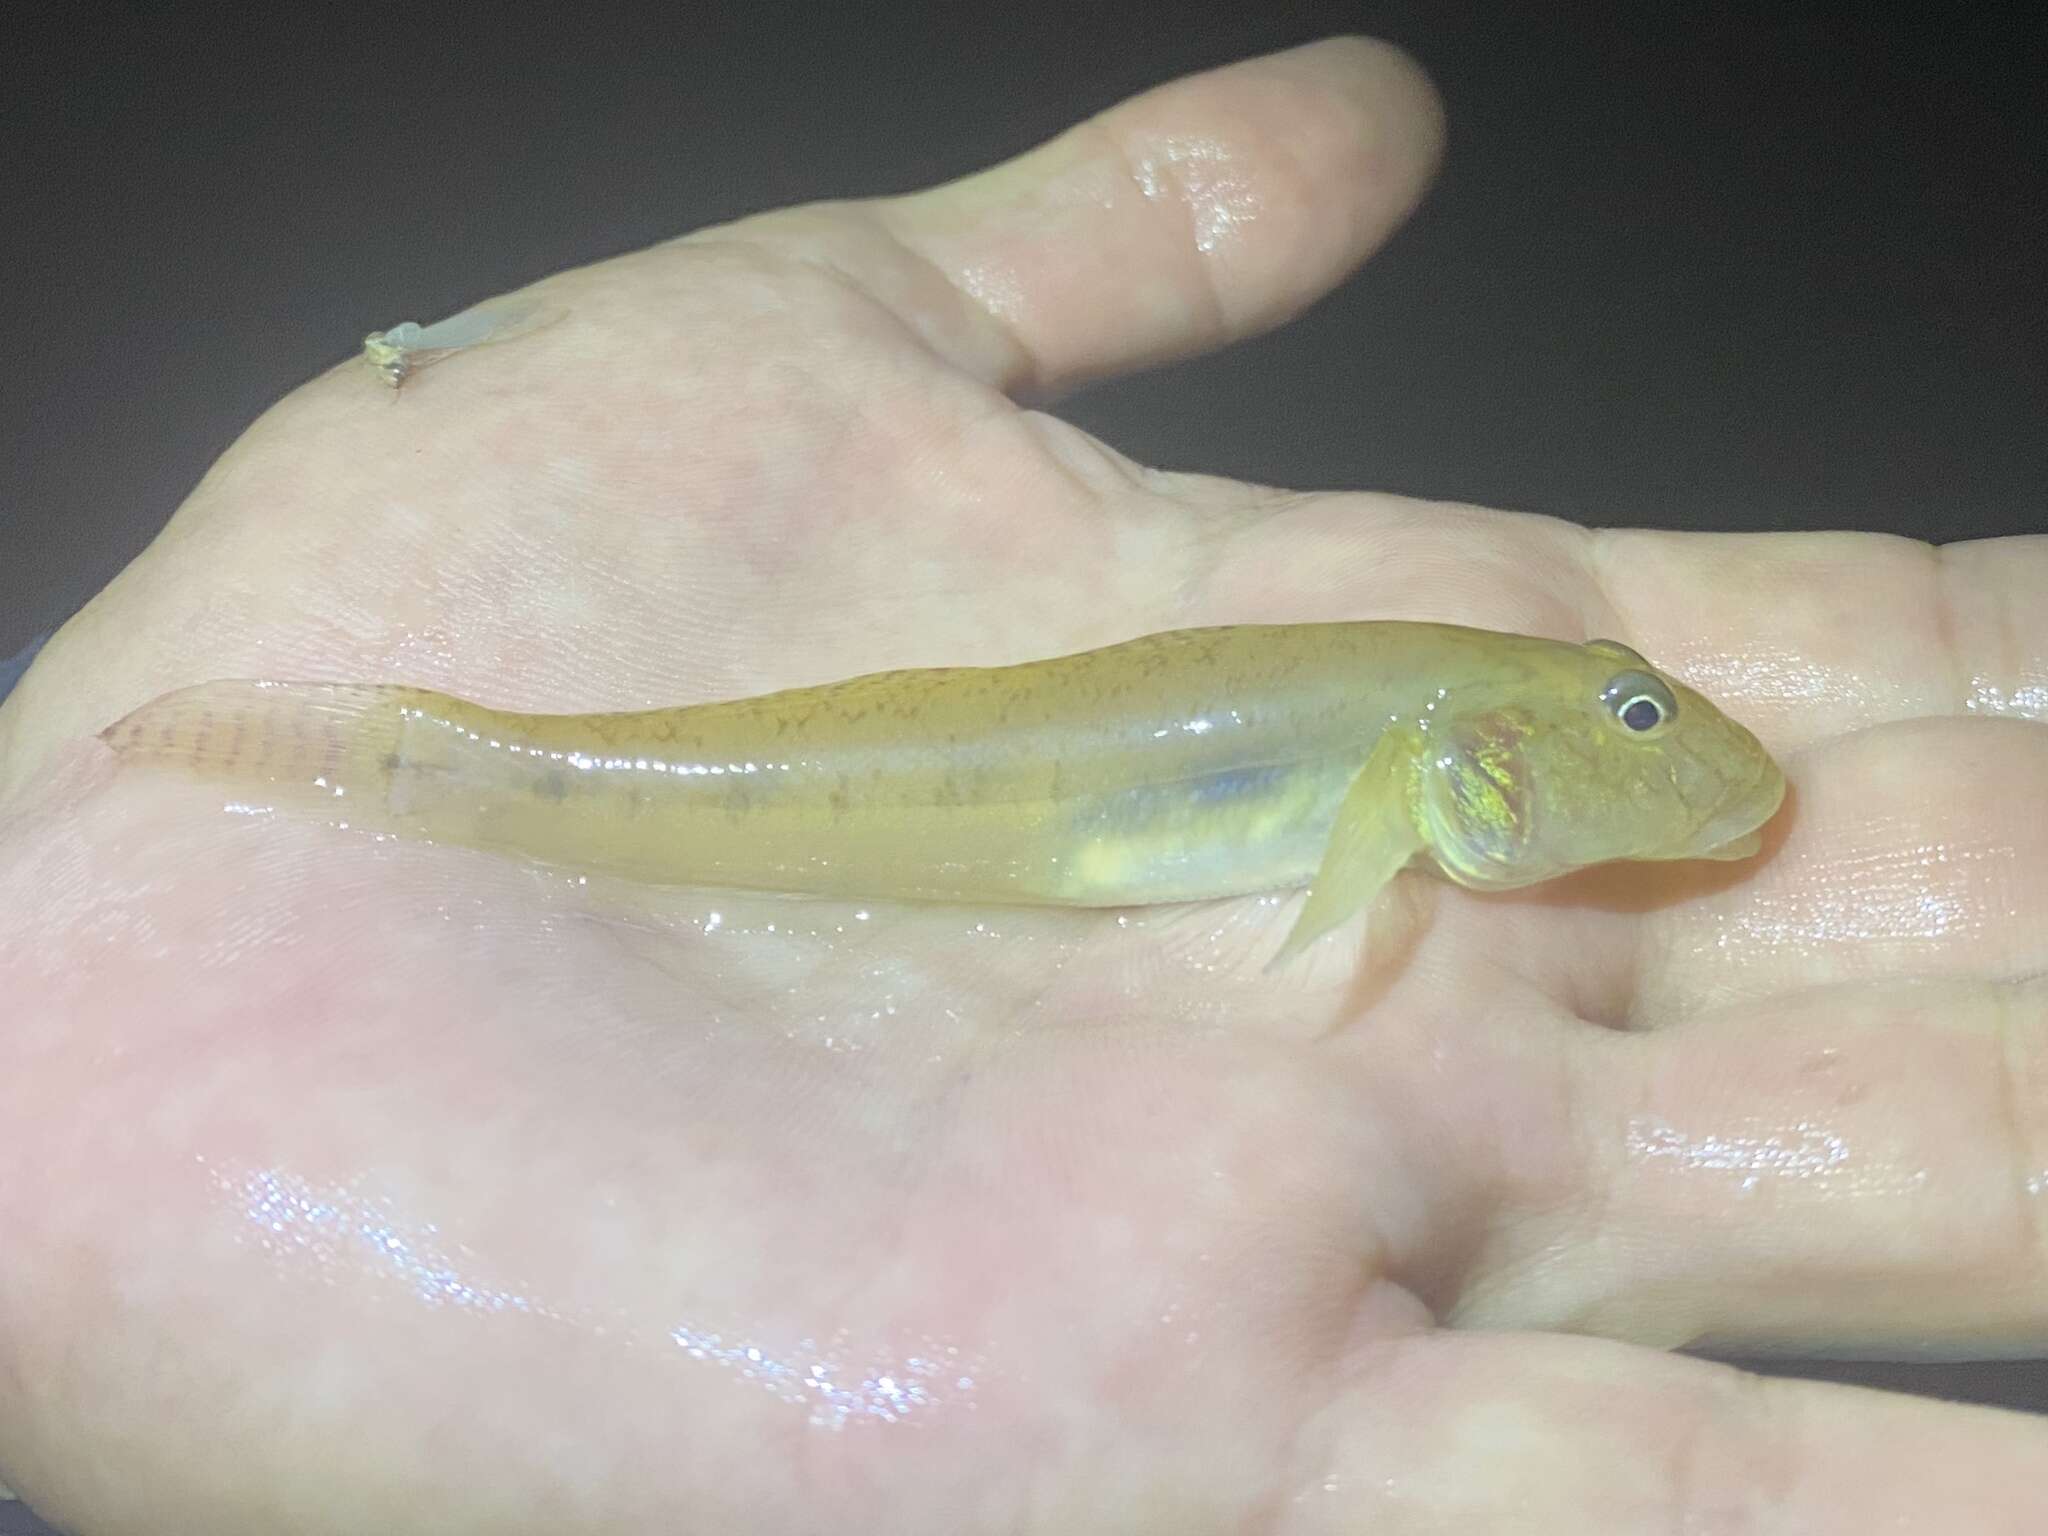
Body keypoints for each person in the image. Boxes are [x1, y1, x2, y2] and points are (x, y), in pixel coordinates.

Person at [0, 35, 2042, 1535]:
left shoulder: (1451, 731)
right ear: (1493, 747)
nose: (1655, 751)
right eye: (1622, 723)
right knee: (554, 783)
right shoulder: (1433, 741)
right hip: (998, 779)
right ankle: (284, 754)